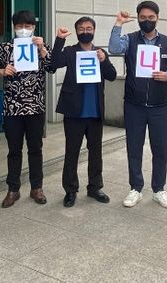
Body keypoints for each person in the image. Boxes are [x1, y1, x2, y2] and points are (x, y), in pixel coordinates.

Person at [108, 1, 167, 209]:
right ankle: (135, 188)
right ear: (138, 18)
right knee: (134, 148)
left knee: (160, 149)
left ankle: (159, 189)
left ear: (157, 18)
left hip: (159, 105)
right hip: (134, 104)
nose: (147, 21)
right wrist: (118, 24)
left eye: (151, 17)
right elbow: (113, 48)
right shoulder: (130, 39)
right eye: (143, 18)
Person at [50, 17, 117, 207]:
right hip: (74, 112)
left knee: (96, 152)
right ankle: (70, 190)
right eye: (81, 28)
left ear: (94, 31)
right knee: (71, 152)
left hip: (95, 112)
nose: (85, 31)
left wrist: (104, 60)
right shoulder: (70, 51)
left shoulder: (100, 52)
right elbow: (54, 63)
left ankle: (94, 187)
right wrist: (59, 39)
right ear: (77, 31)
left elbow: (112, 75)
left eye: (89, 28)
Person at [0, 10, 53, 208]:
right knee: (14, 150)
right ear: (14, 28)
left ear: (34, 27)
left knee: (35, 149)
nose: (24, 30)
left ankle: (37, 187)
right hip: (12, 107)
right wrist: (2, 71)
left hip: (36, 107)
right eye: (19, 26)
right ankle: (13, 189)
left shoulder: (41, 46)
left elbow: (52, 67)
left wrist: (42, 49)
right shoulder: (5, 48)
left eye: (28, 26)